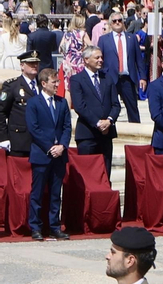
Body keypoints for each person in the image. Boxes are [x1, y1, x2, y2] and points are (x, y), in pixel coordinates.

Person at [26, 66, 71, 240]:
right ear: (44, 84)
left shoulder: (62, 102)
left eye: (58, 81)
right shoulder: (34, 103)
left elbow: (67, 127)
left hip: (59, 155)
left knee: (55, 193)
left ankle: (54, 226)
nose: (57, 85)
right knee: (37, 193)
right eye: (54, 82)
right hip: (42, 155)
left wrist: (62, 146)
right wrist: (50, 147)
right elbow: (34, 128)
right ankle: (36, 227)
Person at [68, 45, 120, 177]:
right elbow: (80, 106)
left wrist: (109, 121)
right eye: (97, 58)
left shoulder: (107, 78)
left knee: (105, 174)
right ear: (86, 59)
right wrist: (98, 123)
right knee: (87, 174)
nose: (101, 60)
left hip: (106, 134)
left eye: (101, 57)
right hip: (87, 134)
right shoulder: (77, 80)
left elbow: (116, 105)